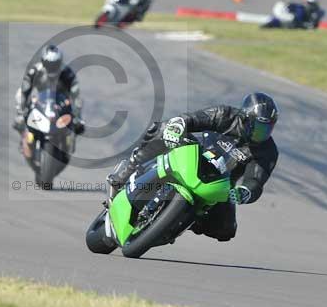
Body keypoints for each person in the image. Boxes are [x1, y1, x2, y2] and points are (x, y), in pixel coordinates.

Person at [106, 93, 280, 241]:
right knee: (161, 129)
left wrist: (245, 191)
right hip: (193, 155)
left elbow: (256, 179)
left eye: (267, 129)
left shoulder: (267, 151)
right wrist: (177, 126)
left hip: (219, 184)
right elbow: (192, 119)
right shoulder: (225, 115)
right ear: (245, 118)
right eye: (258, 127)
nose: (261, 134)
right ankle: (127, 170)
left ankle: (182, 220)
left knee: (226, 230)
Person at [13, 44, 84, 135]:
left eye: (55, 64)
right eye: (49, 64)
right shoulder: (34, 71)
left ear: (60, 62)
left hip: (61, 108)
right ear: (43, 61)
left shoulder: (68, 73)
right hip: (41, 106)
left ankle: (68, 140)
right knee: (26, 125)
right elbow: (23, 92)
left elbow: (76, 96)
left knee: (74, 126)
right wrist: (21, 113)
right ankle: (26, 141)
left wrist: (77, 118)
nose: (52, 67)